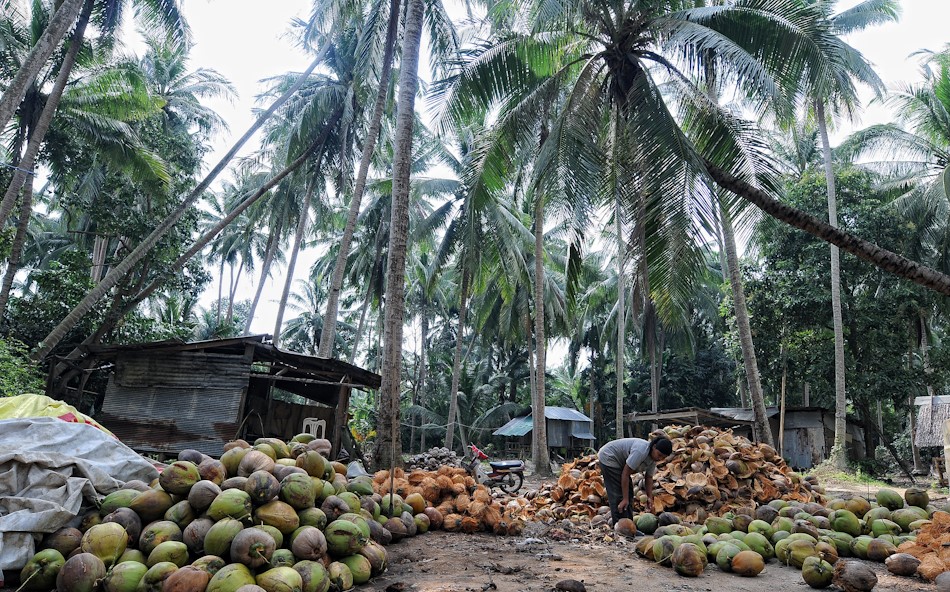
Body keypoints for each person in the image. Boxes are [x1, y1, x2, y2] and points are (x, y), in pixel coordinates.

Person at [597, 436, 674, 524]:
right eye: (659, 455)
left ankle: (629, 524)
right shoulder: (640, 451)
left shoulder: (653, 459)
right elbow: (625, 474)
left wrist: (649, 497)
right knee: (618, 495)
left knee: (629, 493)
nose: (660, 459)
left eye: (663, 457)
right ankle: (619, 526)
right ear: (654, 446)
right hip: (609, 456)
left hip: (618, 462)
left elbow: (648, 477)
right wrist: (625, 499)